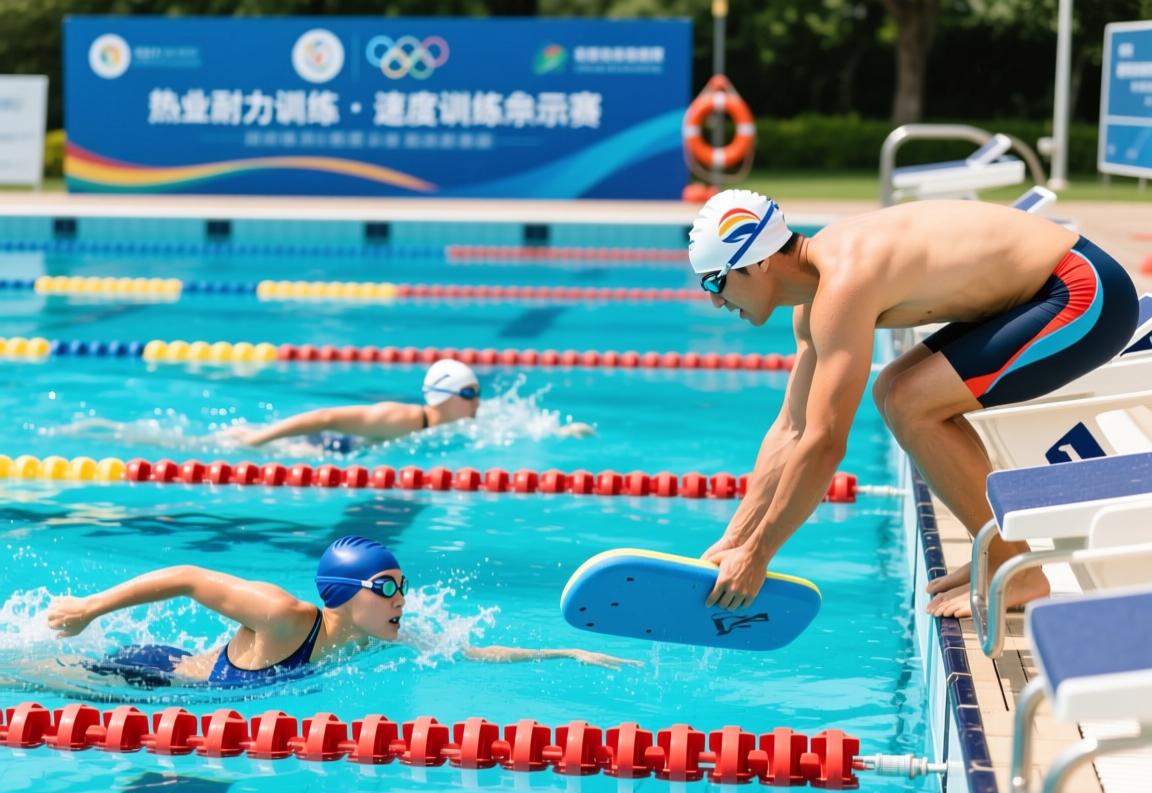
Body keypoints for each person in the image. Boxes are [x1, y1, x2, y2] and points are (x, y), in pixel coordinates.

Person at [688, 189, 1138, 619]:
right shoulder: (811, 304)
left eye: (715, 280)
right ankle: (1002, 552)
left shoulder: (843, 283)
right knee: (893, 391)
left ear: (761, 262)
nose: (713, 299)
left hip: (1085, 291)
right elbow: (792, 429)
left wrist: (759, 554)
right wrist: (735, 540)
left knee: (910, 402)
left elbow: (825, 443)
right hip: (1040, 291)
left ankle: (1012, 565)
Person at [45, 535, 638, 688]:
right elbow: (188, 577)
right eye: (385, 588)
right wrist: (90, 610)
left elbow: (467, 651)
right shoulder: (287, 616)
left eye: (403, 586)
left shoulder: (377, 639)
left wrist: (561, 650)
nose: (401, 599)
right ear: (340, 593)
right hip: (150, 677)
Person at [233, 358, 594, 451]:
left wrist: (562, 431)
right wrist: (259, 439)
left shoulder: (462, 423)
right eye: (469, 394)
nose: (478, 402)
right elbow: (324, 416)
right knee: (234, 445)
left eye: (477, 393)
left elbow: (515, 429)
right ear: (445, 397)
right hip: (331, 450)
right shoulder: (399, 418)